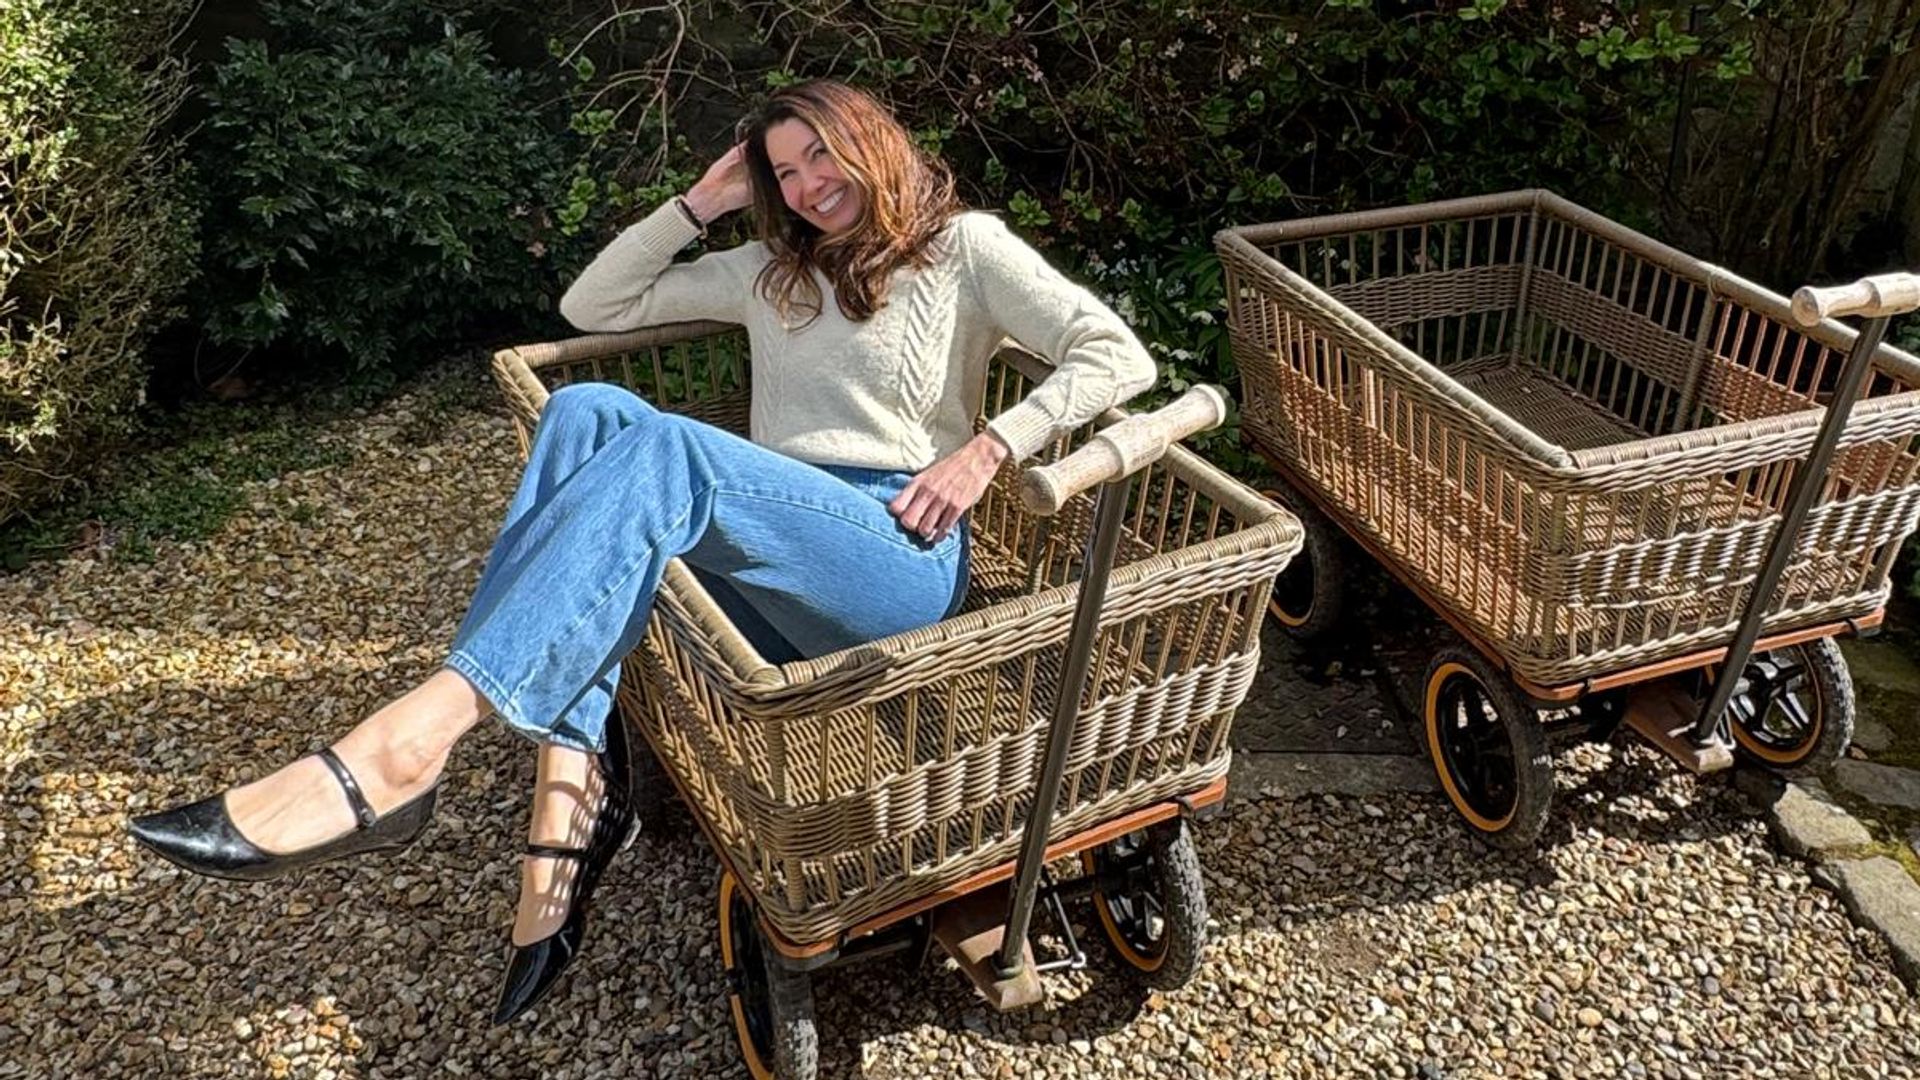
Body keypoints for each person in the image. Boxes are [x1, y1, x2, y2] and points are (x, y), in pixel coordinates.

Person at [128, 78, 1156, 1023]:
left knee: (667, 447)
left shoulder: (963, 249)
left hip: (891, 553)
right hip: (769, 550)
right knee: (585, 411)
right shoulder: (768, 271)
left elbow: (1118, 353)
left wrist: (987, 451)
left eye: (820, 158)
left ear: (870, 141)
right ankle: (571, 782)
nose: (805, 188)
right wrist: (698, 204)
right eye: (782, 174)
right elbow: (593, 308)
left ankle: (408, 746)